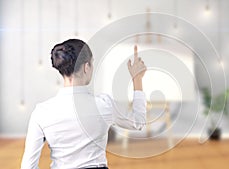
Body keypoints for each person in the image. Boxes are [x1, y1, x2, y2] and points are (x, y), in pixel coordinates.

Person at [20, 39, 147, 169]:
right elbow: (138, 122)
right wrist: (137, 79)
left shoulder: (42, 112)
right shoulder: (104, 105)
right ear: (86, 67)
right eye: (92, 63)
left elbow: (28, 166)